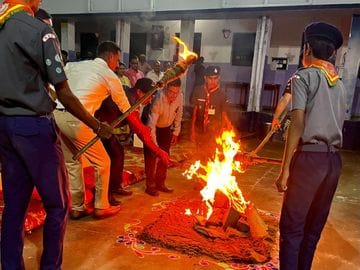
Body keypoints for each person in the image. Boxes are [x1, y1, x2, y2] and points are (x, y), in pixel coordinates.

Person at [0, 1, 113, 269]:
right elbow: (63, 91)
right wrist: (97, 125)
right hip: (34, 127)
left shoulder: (2, 26)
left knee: (14, 208)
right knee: (57, 204)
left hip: (5, 126)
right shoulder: (40, 30)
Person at [53, 41, 162, 219]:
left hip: (57, 116)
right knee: (103, 162)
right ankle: (102, 206)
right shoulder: (109, 75)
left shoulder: (73, 65)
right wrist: (145, 133)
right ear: (110, 56)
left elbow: (55, 86)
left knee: (72, 163)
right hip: (78, 119)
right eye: (118, 60)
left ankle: (77, 207)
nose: (118, 64)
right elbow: (128, 111)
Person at [275, 22, 346, 270]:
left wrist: (284, 170)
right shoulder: (341, 84)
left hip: (309, 161)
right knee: (312, 229)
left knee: (292, 228)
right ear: (332, 53)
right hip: (333, 163)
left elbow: (297, 123)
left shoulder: (302, 77)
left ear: (307, 49)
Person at [94, 78, 168, 202]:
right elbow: (140, 132)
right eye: (149, 96)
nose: (150, 100)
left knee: (118, 152)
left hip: (106, 128)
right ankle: (107, 195)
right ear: (139, 92)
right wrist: (159, 151)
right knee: (109, 159)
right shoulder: (129, 101)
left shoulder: (132, 97)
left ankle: (116, 186)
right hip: (98, 126)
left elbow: (139, 129)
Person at [144, 79, 183, 196]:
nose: (173, 96)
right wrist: (155, 147)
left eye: (176, 92)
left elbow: (179, 114)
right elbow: (151, 126)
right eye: (171, 92)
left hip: (166, 128)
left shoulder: (179, 97)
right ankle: (150, 185)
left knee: (165, 157)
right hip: (151, 127)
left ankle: (160, 183)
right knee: (151, 156)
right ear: (166, 88)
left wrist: (176, 132)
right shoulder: (157, 99)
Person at [190, 66, 232, 158]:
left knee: (212, 156)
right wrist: (192, 130)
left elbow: (224, 114)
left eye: (215, 78)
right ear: (205, 78)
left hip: (213, 131)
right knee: (199, 154)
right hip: (199, 128)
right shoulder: (198, 90)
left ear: (219, 78)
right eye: (210, 78)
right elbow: (195, 111)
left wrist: (222, 130)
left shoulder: (222, 95)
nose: (213, 81)